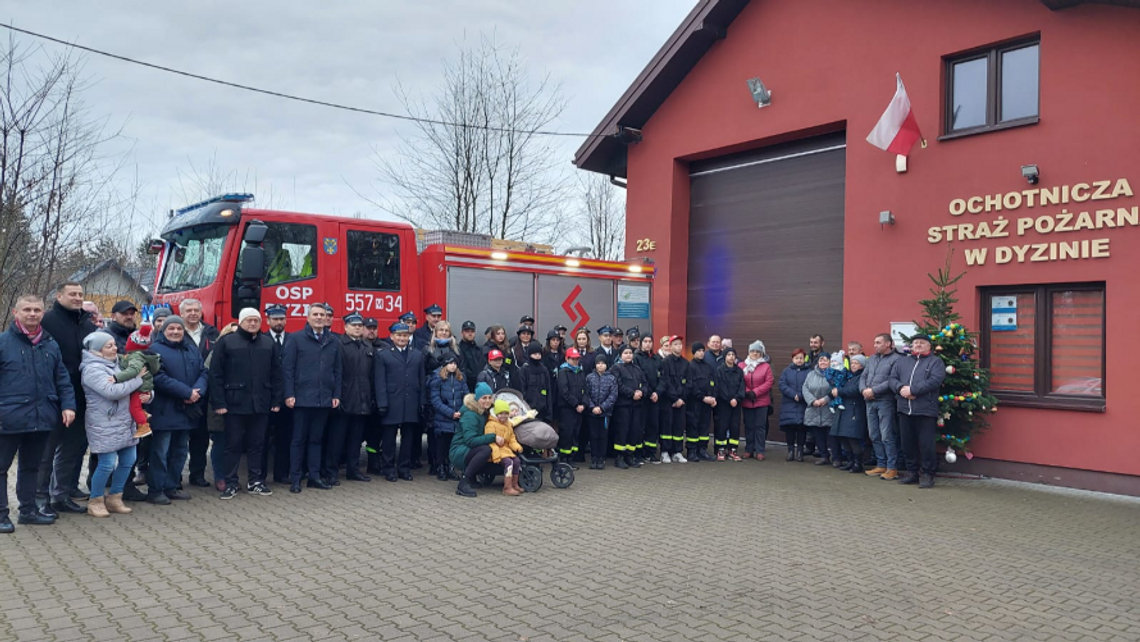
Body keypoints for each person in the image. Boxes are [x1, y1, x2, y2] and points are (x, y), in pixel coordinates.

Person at [0, 295, 76, 532]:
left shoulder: (50, 344)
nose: (32, 314)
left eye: (37, 310)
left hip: (42, 416)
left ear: (43, 313)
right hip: (8, 417)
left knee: (31, 466)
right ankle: (2, 515)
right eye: (27, 309)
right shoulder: (3, 343)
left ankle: (28, 510)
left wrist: (68, 405)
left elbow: (62, 379)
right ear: (16, 312)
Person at [37, 282, 97, 514]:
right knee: (46, 452)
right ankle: (40, 499)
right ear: (59, 295)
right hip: (53, 397)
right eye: (72, 294)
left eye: (81, 294)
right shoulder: (47, 321)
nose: (77, 298)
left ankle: (60, 495)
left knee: (72, 449)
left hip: (81, 398)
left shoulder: (86, 323)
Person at [209, 308, 282, 500]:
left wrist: (276, 400)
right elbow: (215, 374)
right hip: (234, 404)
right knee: (233, 445)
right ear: (241, 322)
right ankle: (231, 482)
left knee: (258, 444)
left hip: (261, 404)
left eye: (256, 320)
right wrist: (219, 402)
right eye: (249, 320)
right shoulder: (227, 342)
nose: (252, 323)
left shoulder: (268, 343)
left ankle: (256, 481)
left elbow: (277, 374)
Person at [79, 331, 145, 517]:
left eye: (114, 344)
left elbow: (136, 389)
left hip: (125, 421)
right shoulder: (91, 369)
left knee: (128, 461)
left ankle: (115, 497)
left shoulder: (119, 364)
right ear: (97, 350)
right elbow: (111, 391)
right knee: (107, 464)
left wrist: (147, 394)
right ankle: (96, 500)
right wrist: (138, 378)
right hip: (104, 423)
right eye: (109, 346)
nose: (115, 348)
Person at [147, 315, 208, 504]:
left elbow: (204, 372)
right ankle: (155, 490)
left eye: (179, 329)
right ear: (163, 331)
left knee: (180, 451)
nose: (175, 332)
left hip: (187, 412)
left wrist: (197, 391)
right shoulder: (154, 350)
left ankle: (171, 486)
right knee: (160, 452)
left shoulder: (191, 349)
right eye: (171, 329)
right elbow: (158, 378)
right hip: (164, 411)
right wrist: (186, 392)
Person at [283, 304, 342, 494]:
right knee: (298, 439)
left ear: (327, 319)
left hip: (324, 399)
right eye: (315, 314)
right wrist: (289, 394)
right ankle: (296, 478)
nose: (319, 318)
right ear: (307, 318)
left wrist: (336, 395)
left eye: (322, 315)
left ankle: (314, 477)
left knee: (317, 440)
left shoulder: (333, 341)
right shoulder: (296, 339)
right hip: (301, 398)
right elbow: (288, 369)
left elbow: (338, 371)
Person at [321, 312, 373, 486]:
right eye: (353, 325)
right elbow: (335, 374)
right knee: (337, 440)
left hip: (362, 400)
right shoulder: (338, 345)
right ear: (345, 327)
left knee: (356, 440)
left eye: (360, 325)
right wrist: (337, 396)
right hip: (343, 399)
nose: (357, 327)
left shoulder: (367, 346)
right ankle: (331, 472)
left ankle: (353, 470)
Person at [889, 335, 946, 489]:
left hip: (925, 410)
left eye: (922, 343)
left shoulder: (936, 362)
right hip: (904, 409)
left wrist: (913, 390)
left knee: (926, 445)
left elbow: (935, 380)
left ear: (929, 346)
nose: (918, 345)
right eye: (916, 343)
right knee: (907, 443)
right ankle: (911, 472)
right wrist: (901, 389)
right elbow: (892, 379)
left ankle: (927, 474)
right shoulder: (903, 361)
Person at [373, 322, 425, 482]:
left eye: (405, 335)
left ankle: (404, 468)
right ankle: (388, 468)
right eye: (399, 335)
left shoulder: (417, 354)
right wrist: (382, 403)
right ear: (392, 337)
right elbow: (379, 381)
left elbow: (421, 380)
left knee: (408, 438)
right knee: (389, 438)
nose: (402, 338)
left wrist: (422, 401)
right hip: (391, 402)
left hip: (411, 402)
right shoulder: (383, 354)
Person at [179, 298, 220, 489]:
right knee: (178, 441)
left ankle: (197, 475)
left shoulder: (212, 333)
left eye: (196, 310)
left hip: (205, 394)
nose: (193, 313)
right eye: (189, 310)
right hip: (181, 394)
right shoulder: (174, 332)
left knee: (201, 439)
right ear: (181, 314)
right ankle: (175, 477)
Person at [861, 333, 904, 481]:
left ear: (888, 344)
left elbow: (892, 381)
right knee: (874, 434)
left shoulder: (897, 359)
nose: (875, 345)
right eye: (874, 342)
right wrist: (864, 390)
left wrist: (873, 391)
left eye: (878, 342)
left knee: (887, 435)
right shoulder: (871, 359)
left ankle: (892, 468)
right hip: (869, 401)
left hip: (885, 401)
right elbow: (863, 376)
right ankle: (881, 464)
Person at [450, 382, 500, 497]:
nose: (487, 401)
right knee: (485, 450)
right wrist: (493, 437)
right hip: (459, 450)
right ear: (477, 399)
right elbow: (470, 440)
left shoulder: (485, 411)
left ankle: (472, 477)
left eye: (489, 397)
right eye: (484, 398)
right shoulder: (470, 415)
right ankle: (464, 481)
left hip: (469, 448)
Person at [205, 322, 239, 491]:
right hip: (219, 405)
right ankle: (220, 477)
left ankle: (232, 476)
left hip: (239, 405)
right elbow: (210, 378)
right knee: (220, 442)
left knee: (234, 443)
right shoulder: (215, 354)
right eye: (230, 334)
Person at [262, 304, 293, 483]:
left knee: (284, 438)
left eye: (281, 319)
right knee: (262, 439)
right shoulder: (262, 339)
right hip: (266, 397)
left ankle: (281, 474)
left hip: (287, 398)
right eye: (275, 319)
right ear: (268, 321)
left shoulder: (292, 339)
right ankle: (261, 476)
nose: (279, 322)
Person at [115, 325, 159, 438]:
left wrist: (117, 377)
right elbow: (126, 361)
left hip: (140, 387)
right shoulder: (141, 355)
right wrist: (119, 357)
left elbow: (133, 370)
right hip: (144, 386)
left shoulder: (136, 357)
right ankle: (142, 414)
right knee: (136, 405)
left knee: (134, 407)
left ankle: (143, 426)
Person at [429, 354, 466, 481]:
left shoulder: (460, 378)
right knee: (441, 445)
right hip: (443, 418)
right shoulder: (437, 379)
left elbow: (466, 397)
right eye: (450, 363)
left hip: (457, 418)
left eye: (455, 363)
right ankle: (440, 467)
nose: (453, 366)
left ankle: (451, 468)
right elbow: (435, 400)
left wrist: (460, 411)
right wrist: (450, 413)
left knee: (453, 445)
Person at [611, 345, 647, 469]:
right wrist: (632, 394)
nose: (628, 355)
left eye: (630, 353)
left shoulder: (637, 368)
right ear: (621, 355)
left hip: (637, 406)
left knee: (634, 431)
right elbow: (618, 384)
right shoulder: (616, 368)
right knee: (622, 431)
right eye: (625, 353)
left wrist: (642, 392)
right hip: (623, 406)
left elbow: (645, 383)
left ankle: (630, 455)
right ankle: (619, 457)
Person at [832, 354, 869, 474]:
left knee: (853, 438)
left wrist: (840, 391)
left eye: (856, 363)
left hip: (855, 410)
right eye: (852, 363)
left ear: (862, 365)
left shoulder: (863, 377)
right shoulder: (848, 376)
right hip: (844, 410)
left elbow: (856, 390)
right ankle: (850, 461)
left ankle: (858, 463)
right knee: (844, 437)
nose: (853, 365)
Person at [738, 341, 774, 460]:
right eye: (752, 351)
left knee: (760, 426)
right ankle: (749, 449)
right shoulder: (742, 366)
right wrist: (748, 391)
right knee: (748, 426)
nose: (755, 353)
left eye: (757, 352)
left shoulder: (766, 366)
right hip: (747, 401)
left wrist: (756, 392)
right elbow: (739, 380)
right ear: (749, 352)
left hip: (761, 401)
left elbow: (769, 382)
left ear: (761, 353)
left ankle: (760, 450)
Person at [802, 354, 838, 465]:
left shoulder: (834, 374)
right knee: (818, 434)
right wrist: (813, 401)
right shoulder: (811, 374)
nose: (822, 362)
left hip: (829, 408)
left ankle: (836, 458)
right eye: (820, 360)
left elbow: (837, 388)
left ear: (830, 362)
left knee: (832, 436)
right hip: (814, 408)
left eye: (825, 360)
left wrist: (825, 400)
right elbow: (805, 388)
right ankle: (824, 456)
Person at [659, 336, 689, 463]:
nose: (679, 346)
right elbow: (665, 381)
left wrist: (681, 398)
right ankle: (665, 451)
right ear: (670, 347)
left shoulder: (686, 363)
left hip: (681, 402)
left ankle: (677, 451)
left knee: (678, 426)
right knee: (666, 426)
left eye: (680, 344)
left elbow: (688, 383)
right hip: (668, 401)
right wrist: (674, 398)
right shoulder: (665, 362)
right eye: (675, 344)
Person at [584, 354, 617, 470]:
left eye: (602, 363)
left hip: (605, 414)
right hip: (592, 413)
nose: (600, 365)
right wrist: (592, 407)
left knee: (603, 436)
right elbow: (586, 394)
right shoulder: (589, 377)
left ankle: (601, 458)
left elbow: (613, 396)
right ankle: (594, 458)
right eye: (598, 363)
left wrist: (602, 408)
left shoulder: (611, 378)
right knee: (593, 436)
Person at [634, 334, 663, 464]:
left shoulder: (658, 359)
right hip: (642, 398)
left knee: (653, 425)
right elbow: (638, 377)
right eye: (645, 341)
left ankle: (651, 452)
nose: (647, 344)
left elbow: (663, 378)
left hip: (655, 398)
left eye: (650, 341)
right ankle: (639, 453)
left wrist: (658, 392)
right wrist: (648, 392)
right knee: (640, 426)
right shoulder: (637, 358)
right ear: (640, 343)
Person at [484, 400, 524, 496]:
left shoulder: (508, 424)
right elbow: (490, 440)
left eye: (506, 413)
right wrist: (496, 453)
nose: (504, 416)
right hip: (496, 450)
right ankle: (507, 487)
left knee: (517, 461)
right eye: (501, 413)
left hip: (506, 450)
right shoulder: (491, 424)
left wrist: (517, 447)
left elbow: (511, 439)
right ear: (496, 414)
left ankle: (514, 484)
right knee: (509, 463)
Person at [778, 349, 812, 462]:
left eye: (801, 358)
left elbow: (811, 386)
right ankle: (790, 451)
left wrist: (802, 396)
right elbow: (782, 384)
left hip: (803, 404)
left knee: (801, 429)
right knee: (790, 429)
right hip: (789, 404)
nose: (799, 360)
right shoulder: (786, 371)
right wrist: (793, 395)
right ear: (792, 359)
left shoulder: (809, 371)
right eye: (796, 358)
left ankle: (800, 452)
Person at [556, 348, 587, 469]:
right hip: (567, 409)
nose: (575, 361)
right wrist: (575, 404)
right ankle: (564, 459)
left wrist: (584, 404)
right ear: (567, 359)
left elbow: (585, 389)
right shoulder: (563, 372)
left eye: (577, 359)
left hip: (579, 409)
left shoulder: (580, 372)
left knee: (575, 434)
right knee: (567, 434)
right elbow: (564, 391)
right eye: (572, 359)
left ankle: (571, 458)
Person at [712, 348, 745, 461]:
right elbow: (720, 387)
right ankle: (720, 450)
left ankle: (733, 450)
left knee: (735, 427)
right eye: (729, 355)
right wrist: (729, 399)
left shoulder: (739, 371)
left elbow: (742, 387)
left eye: (733, 355)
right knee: (722, 426)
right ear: (725, 357)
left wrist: (737, 398)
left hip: (736, 404)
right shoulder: (719, 370)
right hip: (723, 404)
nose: (731, 357)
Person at [686, 342, 716, 462]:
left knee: (704, 426)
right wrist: (702, 397)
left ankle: (702, 449)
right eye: (698, 351)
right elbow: (691, 385)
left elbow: (712, 383)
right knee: (693, 425)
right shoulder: (690, 366)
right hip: (695, 402)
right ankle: (692, 451)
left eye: (703, 351)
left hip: (707, 403)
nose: (701, 353)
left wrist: (712, 397)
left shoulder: (707, 367)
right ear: (694, 353)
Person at [519, 343, 551, 422]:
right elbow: (522, 389)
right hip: (529, 409)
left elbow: (548, 390)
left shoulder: (544, 369)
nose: (537, 356)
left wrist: (549, 414)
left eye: (539, 354)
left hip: (543, 410)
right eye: (534, 354)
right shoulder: (525, 369)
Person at [457, 320, 486, 393]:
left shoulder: (478, 349)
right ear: (462, 333)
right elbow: (461, 369)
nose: (470, 334)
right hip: (466, 386)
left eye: (472, 331)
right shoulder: (458, 349)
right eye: (467, 331)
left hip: (480, 384)